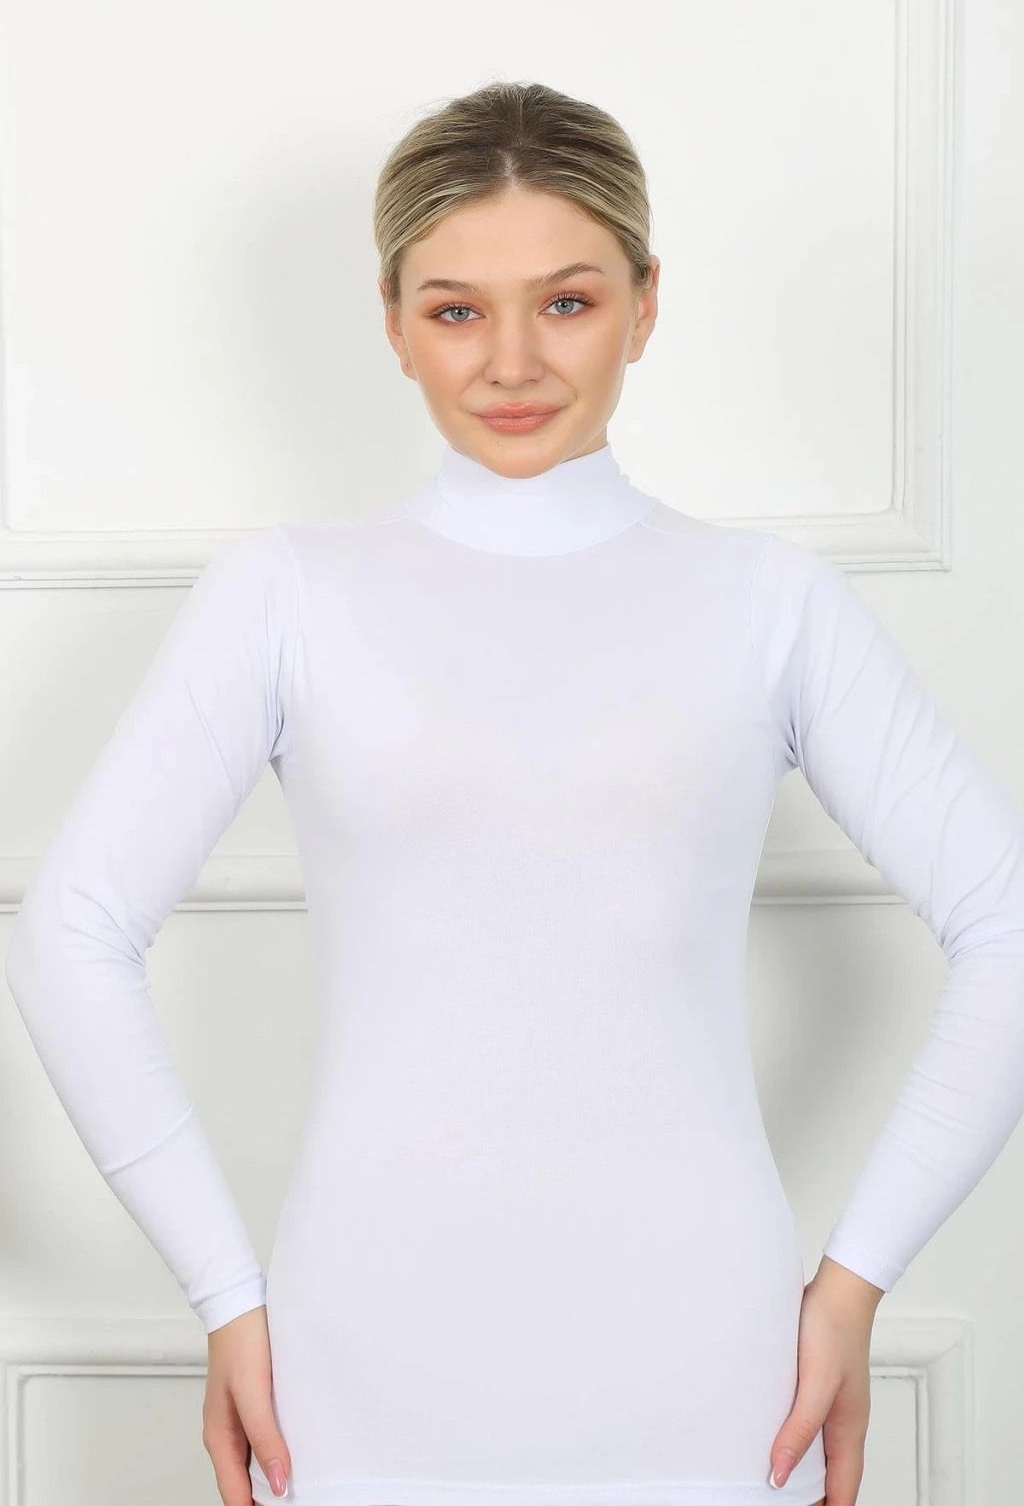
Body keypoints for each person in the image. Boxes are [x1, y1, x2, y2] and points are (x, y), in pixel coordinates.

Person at [6, 79, 1024, 1506]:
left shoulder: (769, 603)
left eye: (567, 302)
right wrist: (223, 1291)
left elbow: (1006, 920)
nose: (512, 363)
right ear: (391, 323)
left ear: (646, 305)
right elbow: (71, 931)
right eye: (455, 310)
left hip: (713, 1372)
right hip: (358, 1364)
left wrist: (855, 1284)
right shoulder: (286, 596)